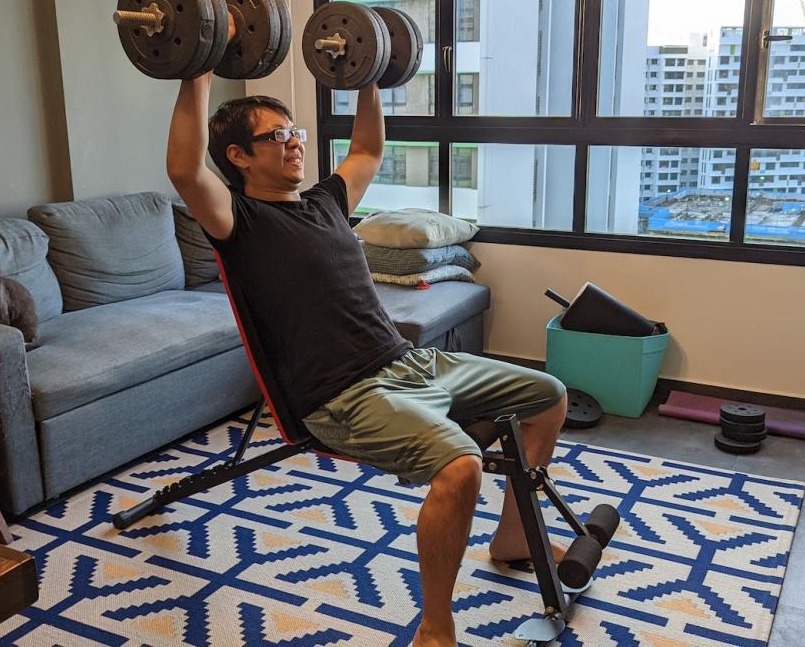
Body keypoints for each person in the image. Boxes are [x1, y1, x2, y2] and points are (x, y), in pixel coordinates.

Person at [166, 73, 568, 647]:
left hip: (411, 363)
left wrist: (369, 75)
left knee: (549, 396)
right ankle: (435, 628)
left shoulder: (326, 202)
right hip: (345, 396)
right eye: (278, 135)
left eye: (295, 130)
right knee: (460, 469)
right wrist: (196, 69)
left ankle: (512, 537)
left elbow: (368, 149)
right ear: (238, 156)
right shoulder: (239, 223)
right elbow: (184, 170)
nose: (295, 142)